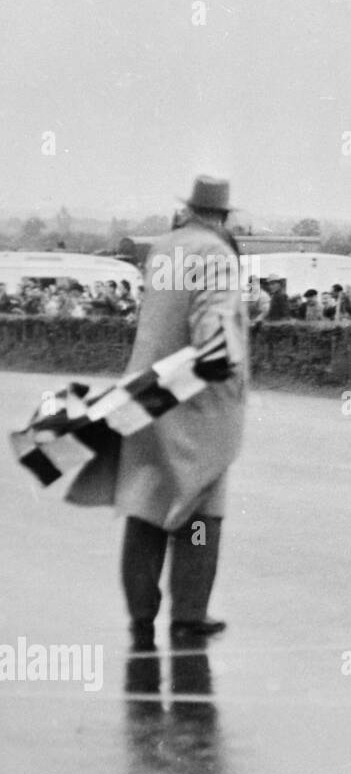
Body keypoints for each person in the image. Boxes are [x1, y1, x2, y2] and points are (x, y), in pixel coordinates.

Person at [66, 175, 248, 637]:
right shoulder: (216, 254)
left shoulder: (164, 249)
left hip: (144, 394)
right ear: (223, 216)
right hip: (195, 401)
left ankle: (141, 611)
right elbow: (213, 325)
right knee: (200, 511)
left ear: (188, 208)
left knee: (146, 502)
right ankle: (189, 613)